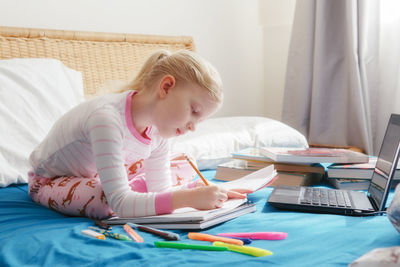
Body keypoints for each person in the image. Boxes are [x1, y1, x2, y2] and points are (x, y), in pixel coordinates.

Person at [28, 49, 249, 219]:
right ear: (166, 87)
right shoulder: (106, 119)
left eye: (200, 120)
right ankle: (133, 192)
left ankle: (134, 192)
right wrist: (188, 197)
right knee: (105, 200)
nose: (193, 127)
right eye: (194, 111)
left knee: (184, 164)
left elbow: (161, 190)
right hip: (51, 181)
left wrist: (199, 196)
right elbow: (120, 205)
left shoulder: (159, 132)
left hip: (102, 173)